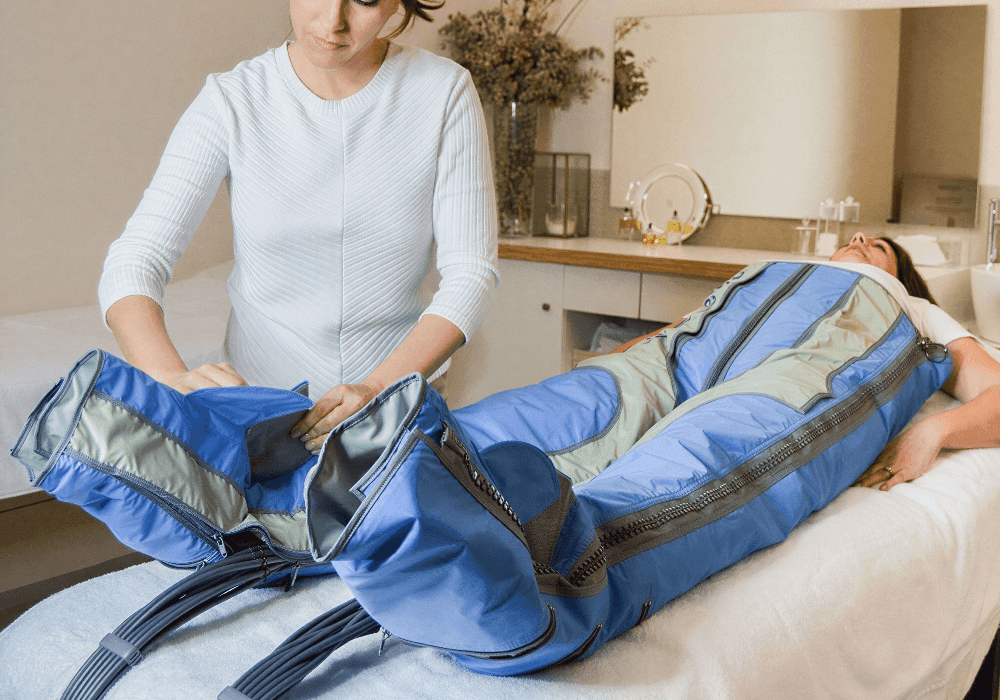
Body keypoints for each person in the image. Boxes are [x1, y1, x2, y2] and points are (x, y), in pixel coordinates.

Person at [98, 0, 499, 456]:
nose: (334, 21)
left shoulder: (442, 90)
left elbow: (471, 274)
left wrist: (378, 389)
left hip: (399, 417)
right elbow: (134, 261)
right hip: (262, 423)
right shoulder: (234, 99)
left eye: (365, 1)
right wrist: (170, 379)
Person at [615, 231, 1000, 491]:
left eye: (880, 248)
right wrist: (612, 366)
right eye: (858, 238)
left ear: (900, 281)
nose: (859, 237)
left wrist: (934, 432)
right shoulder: (780, 281)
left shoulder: (912, 311)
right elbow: (675, 337)